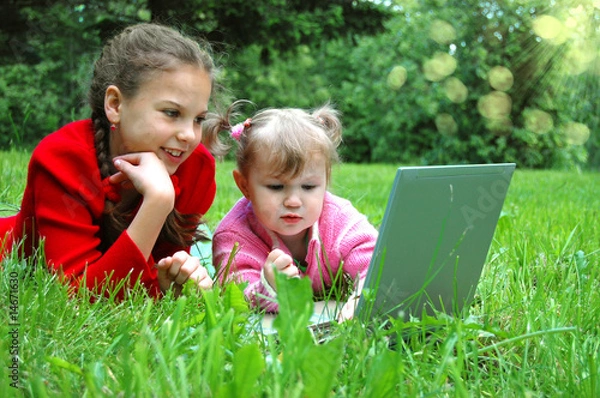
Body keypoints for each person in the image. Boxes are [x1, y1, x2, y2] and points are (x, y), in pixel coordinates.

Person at [0, 23, 229, 299]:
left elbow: (154, 274)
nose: (188, 135)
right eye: (171, 112)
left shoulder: (196, 168)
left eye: (198, 119)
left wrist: (169, 280)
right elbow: (79, 298)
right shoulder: (62, 160)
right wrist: (157, 203)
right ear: (115, 105)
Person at [212, 103, 378, 318]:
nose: (293, 201)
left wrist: (363, 296)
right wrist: (269, 289)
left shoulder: (338, 218)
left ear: (325, 180)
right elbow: (235, 292)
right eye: (276, 187)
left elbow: (377, 261)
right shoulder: (234, 237)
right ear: (245, 186)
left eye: (308, 187)